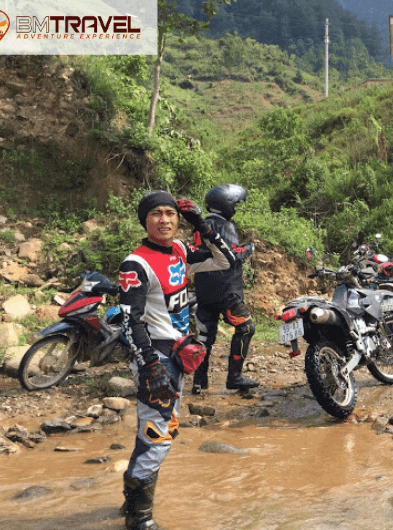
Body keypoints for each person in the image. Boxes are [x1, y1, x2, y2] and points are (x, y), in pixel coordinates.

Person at [118, 190, 236, 530]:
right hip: (156, 358)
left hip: (180, 354)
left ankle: (130, 501)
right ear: (145, 220)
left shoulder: (181, 252)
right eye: (156, 213)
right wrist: (151, 368)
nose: (165, 220)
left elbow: (226, 260)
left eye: (171, 213)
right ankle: (139, 518)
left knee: (157, 431)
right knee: (157, 435)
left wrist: (202, 223)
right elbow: (131, 320)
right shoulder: (135, 264)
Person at [191, 184, 259, 394]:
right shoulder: (224, 226)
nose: (236, 208)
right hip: (226, 290)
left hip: (204, 289)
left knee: (204, 337)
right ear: (227, 205)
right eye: (235, 204)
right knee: (246, 328)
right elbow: (233, 254)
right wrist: (251, 247)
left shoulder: (200, 226)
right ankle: (235, 377)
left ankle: (198, 383)